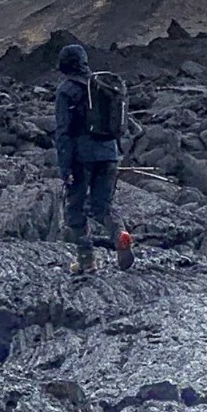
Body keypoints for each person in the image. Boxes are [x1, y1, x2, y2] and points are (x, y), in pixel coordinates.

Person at [54, 42, 133, 273]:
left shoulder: (66, 90)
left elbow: (63, 132)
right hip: (109, 154)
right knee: (103, 206)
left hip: (82, 157)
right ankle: (120, 234)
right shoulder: (103, 86)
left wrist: (65, 168)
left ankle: (87, 260)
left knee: (75, 210)